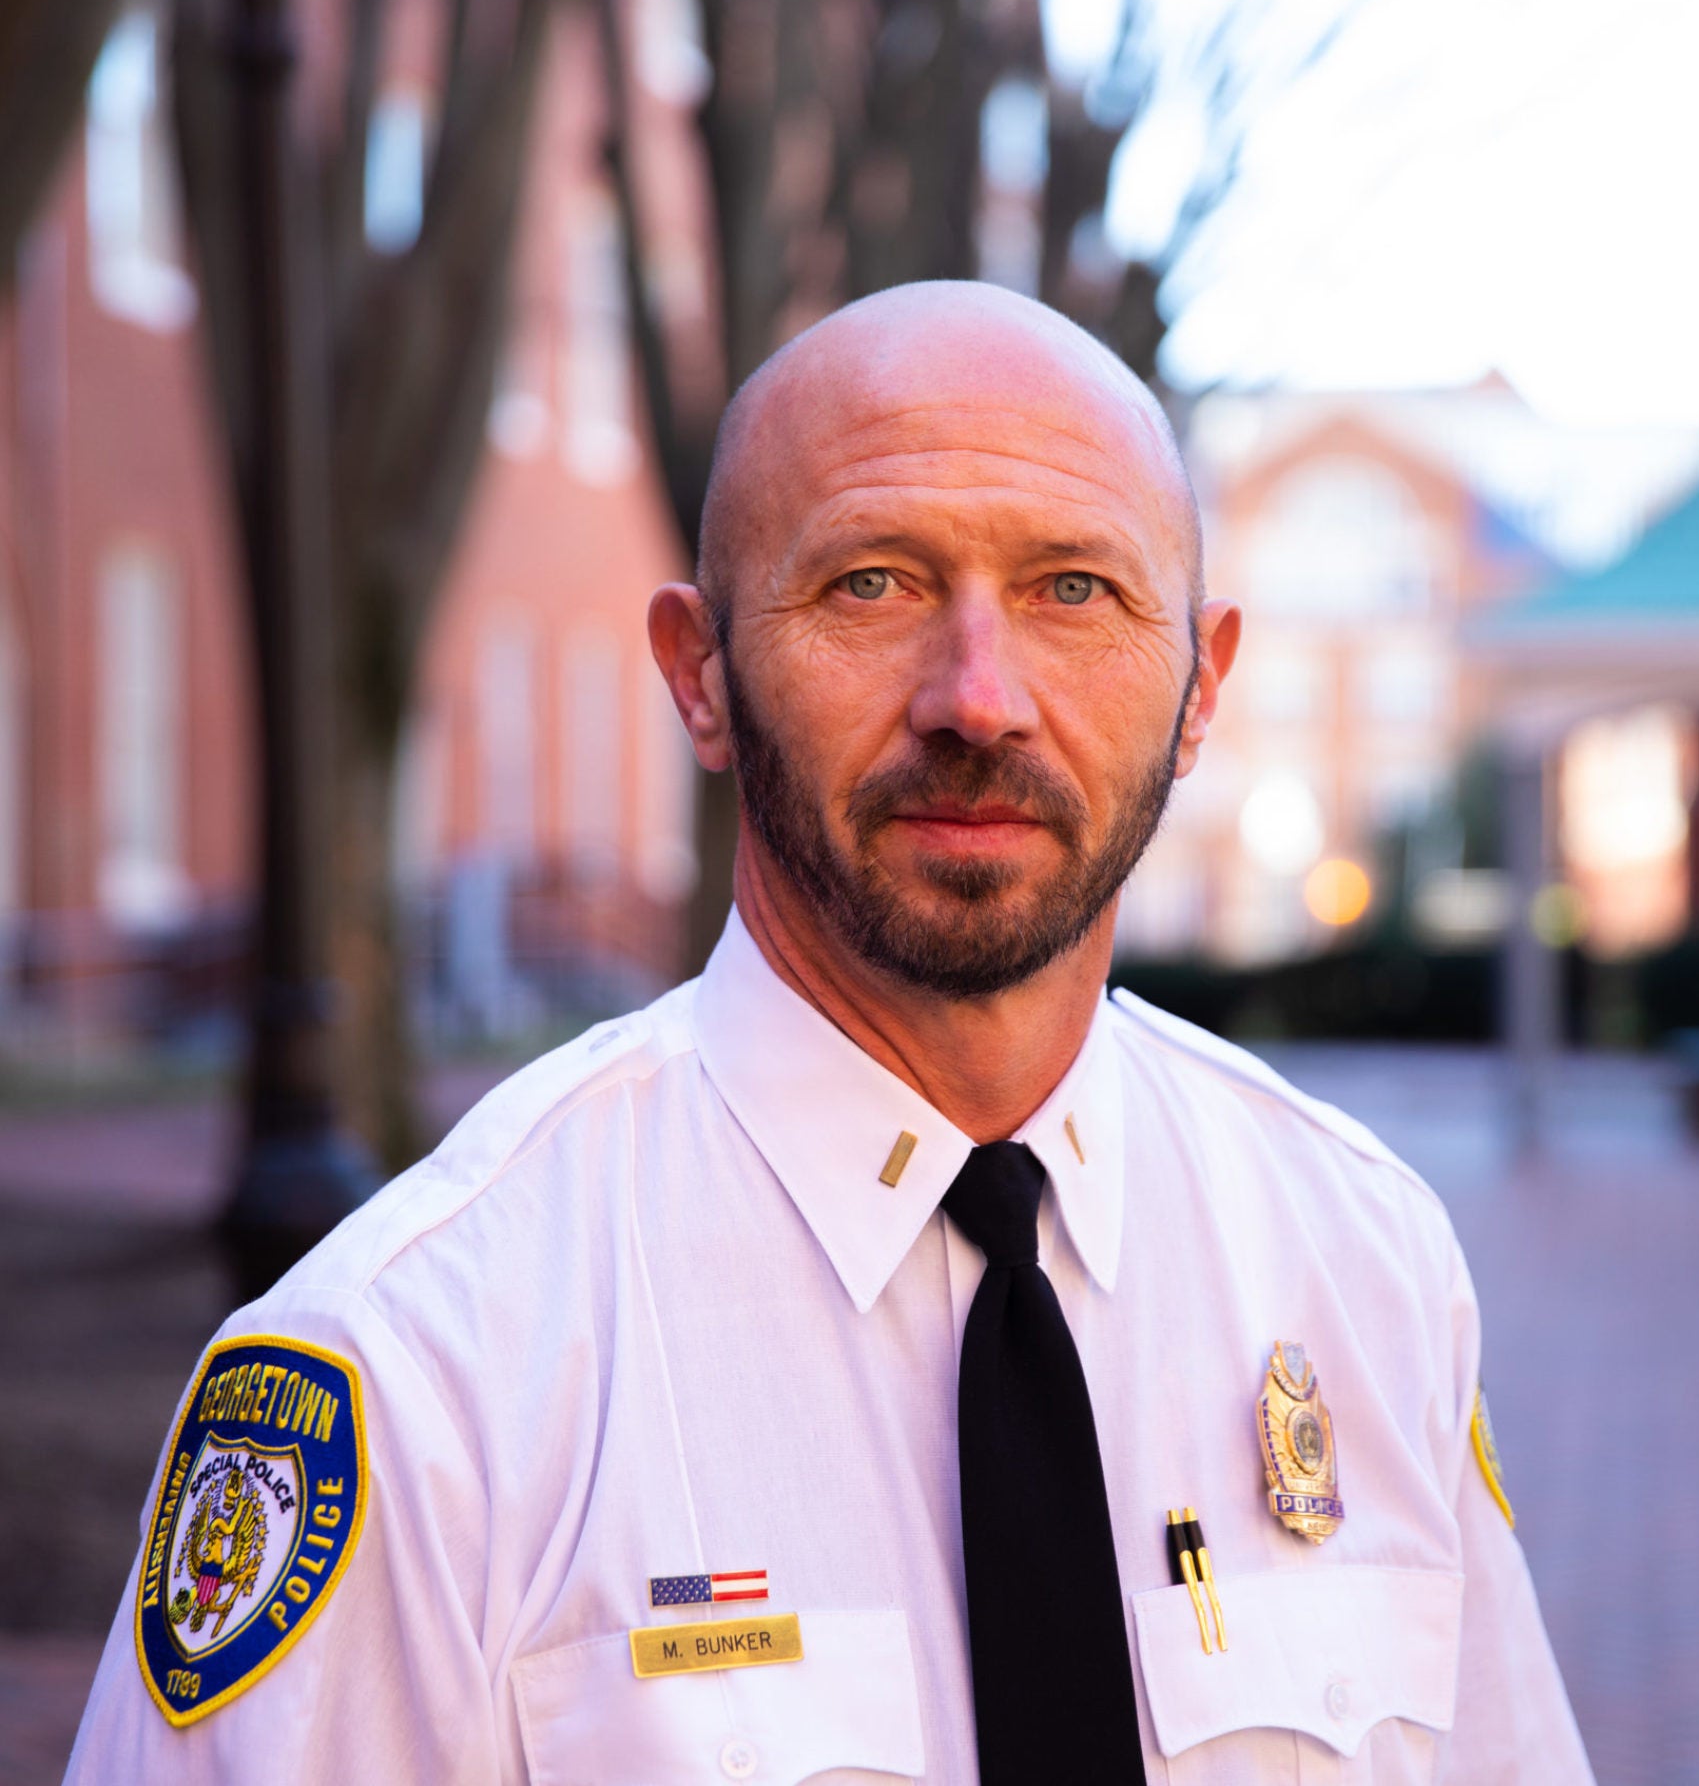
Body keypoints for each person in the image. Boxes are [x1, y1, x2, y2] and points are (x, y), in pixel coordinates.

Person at [67, 281, 1592, 1784]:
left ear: (1201, 688)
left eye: (1076, 589)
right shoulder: (417, 1373)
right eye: (872, 582)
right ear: (701, 676)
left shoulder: (1367, 1262)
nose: (980, 699)